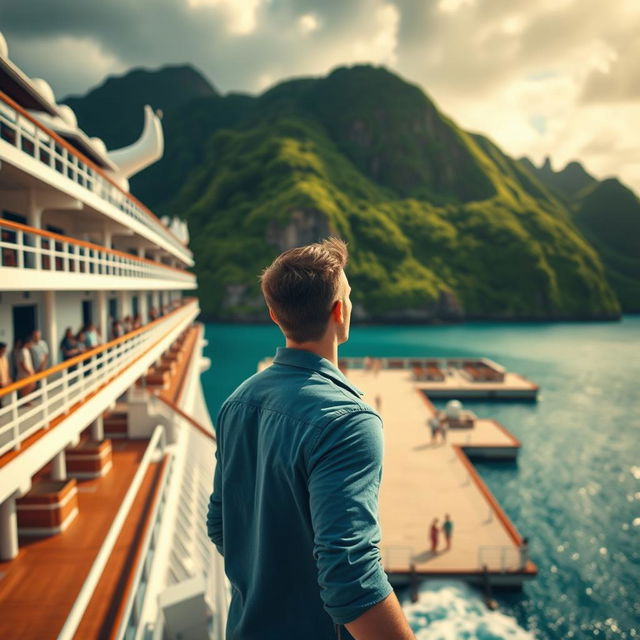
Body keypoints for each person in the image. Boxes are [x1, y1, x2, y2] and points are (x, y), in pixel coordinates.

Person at [207, 238, 415, 640]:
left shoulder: (237, 403)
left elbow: (221, 524)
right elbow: (351, 577)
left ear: (274, 314)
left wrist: (272, 579)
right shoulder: (348, 421)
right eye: (349, 297)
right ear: (340, 312)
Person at [0, 342, 12, 408]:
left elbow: (6, 369)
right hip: (0, 382)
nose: (5, 350)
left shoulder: (4, 358)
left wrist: (8, 378)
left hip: (4, 382)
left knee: (2, 398)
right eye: (3, 349)